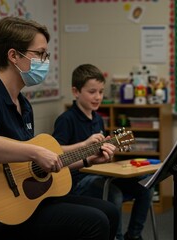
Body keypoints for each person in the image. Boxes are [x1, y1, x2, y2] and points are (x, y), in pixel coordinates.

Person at [0, 17, 119, 240]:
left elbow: (34, 168)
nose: (45, 61)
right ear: (13, 56)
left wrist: (87, 159)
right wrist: (35, 151)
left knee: (109, 211)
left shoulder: (23, 104)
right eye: (40, 54)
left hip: (25, 202)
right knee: (95, 222)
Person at [52, 63, 153, 240]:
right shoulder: (66, 119)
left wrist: (109, 152)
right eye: (92, 92)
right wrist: (84, 144)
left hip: (99, 175)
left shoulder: (98, 119)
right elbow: (55, 152)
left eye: (100, 92)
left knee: (146, 188)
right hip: (76, 180)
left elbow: (102, 158)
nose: (98, 97)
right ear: (76, 92)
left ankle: (134, 235)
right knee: (114, 194)